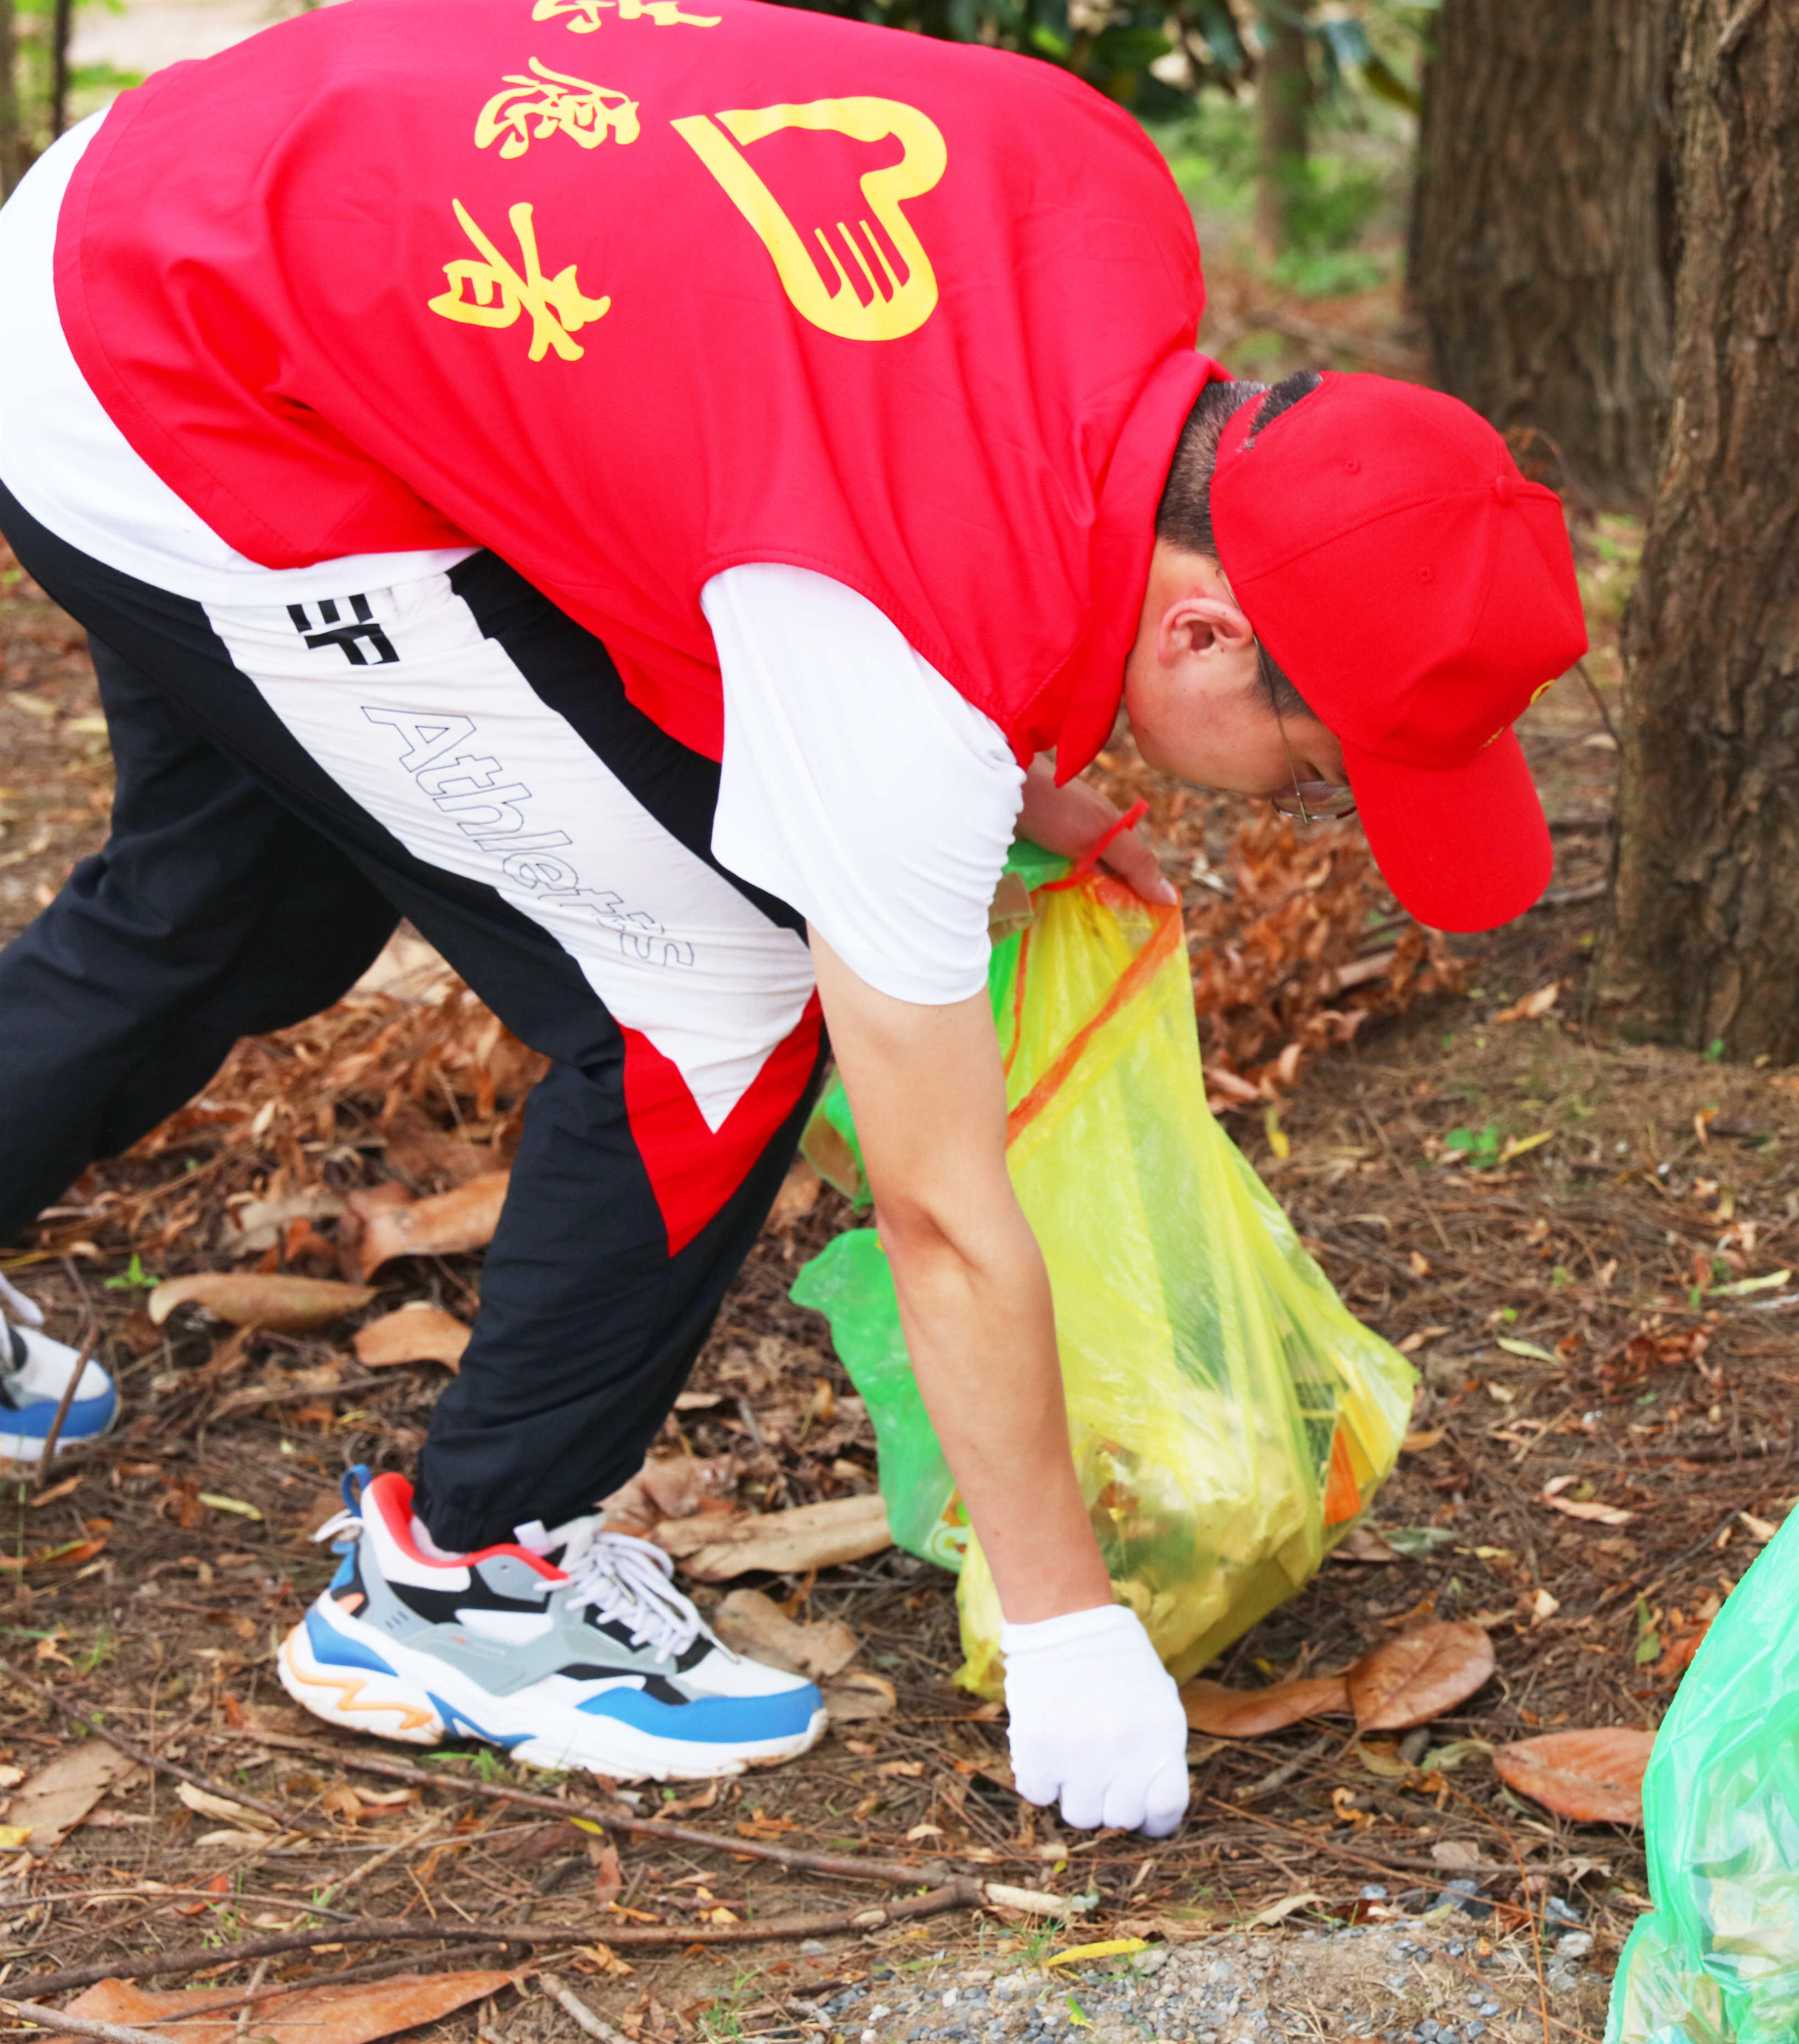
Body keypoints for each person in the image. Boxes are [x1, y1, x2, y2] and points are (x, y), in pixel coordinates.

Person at [0, 0, 1580, 1831]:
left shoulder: (1106, 205)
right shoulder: (901, 671)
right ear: (1212, 633)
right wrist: (1070, 1629)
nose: (1315, 802)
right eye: (1334, 761)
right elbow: (938, 1211)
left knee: (232, 911)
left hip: (193, 212)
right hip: (187, 378)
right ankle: (460, 1585)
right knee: (716, 990)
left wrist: (1031, 749)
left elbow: (813, 445)